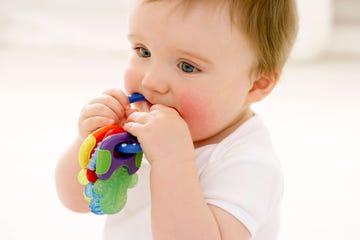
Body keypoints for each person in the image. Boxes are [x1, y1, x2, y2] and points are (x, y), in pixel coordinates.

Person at [55, 0, 298, 239]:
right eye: (144, 51)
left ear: (256, 84)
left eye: (187, 67)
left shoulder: (249, 165)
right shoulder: (137, 126)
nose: (151, 81)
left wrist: (172, 161)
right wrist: (89, 140)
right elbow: (76, 200)